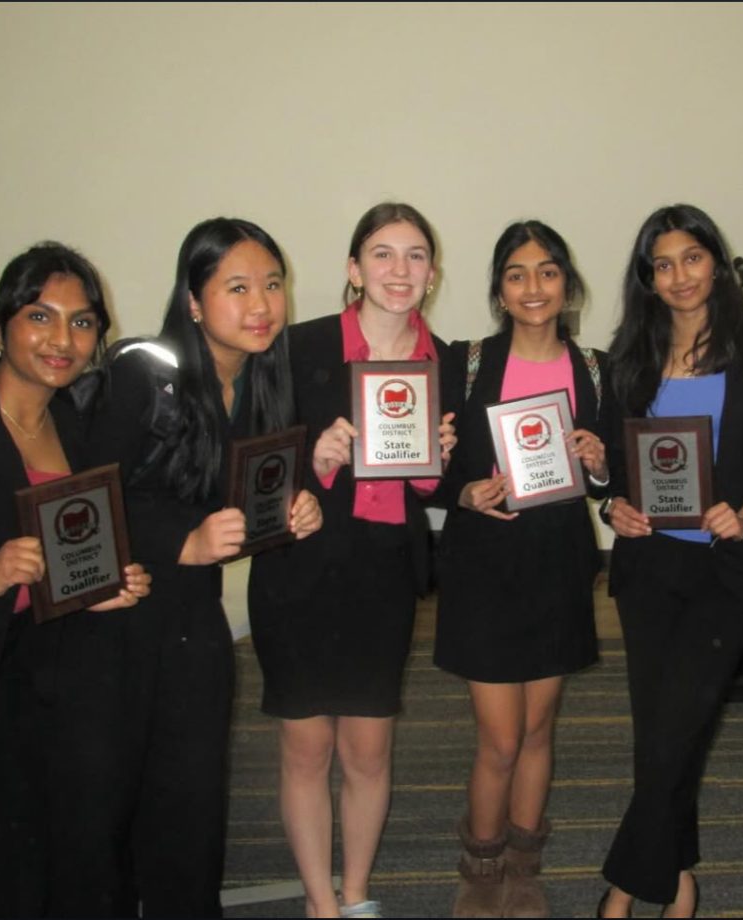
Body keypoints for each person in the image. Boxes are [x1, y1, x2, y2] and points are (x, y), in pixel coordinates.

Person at [71, 218, 322, 917]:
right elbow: (86, 500)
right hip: (115, 623)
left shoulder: (264, 383)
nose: (261, 304)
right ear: (192, 300)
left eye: (272, 285)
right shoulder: (142, 373)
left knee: (191, 805)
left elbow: (253, 498)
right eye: (237, 287)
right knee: (110, 806)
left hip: (191, 625)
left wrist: (299, 510)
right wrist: (178, 541)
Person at [248, 202, 456, 919]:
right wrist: (314, 460)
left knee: (368, 752)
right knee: (305, 752)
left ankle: (357, 895)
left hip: (382, 574)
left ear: (432, 274)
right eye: (383, 254)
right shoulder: (296, 347)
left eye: (416, 256)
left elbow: (442, 486)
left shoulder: (446, 361)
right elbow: (254, 467)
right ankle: (319, 903)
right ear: (353, 269)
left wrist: (441, 466)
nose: (400, 270)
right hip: (300, 571)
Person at [0, 242, 150, 916]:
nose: (63, 340)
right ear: (1, 328)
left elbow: (78, 552)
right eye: (40, 317)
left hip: (57, 682)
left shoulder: (79, 429)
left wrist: (110, 585)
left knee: (63, 858)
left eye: (82, 323)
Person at [598, 204, 743, 918]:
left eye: (691, 258)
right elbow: (616, 467)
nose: (678, 276)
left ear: (715, 262)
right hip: (649, 570)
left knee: (680, 728)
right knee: (660, 734)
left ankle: (625, 883)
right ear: (647, 278)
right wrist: (612, 505)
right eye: (662, 264)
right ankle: (678, 880)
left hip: (725, 570)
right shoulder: (627, 359)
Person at [433, 220, 611, 919]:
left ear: (567, 284)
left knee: (540, 730)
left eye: (547, 271)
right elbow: (430, 461)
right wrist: (463, 492)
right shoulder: (467, 362)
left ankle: (525, 863)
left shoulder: (596, 369)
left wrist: (600, 464)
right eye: (516, 273)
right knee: (500, 737)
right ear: (499, 290)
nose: (533, 287)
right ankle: (480, 867)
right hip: (484, 566)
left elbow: (608, 478)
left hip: (559, 562)